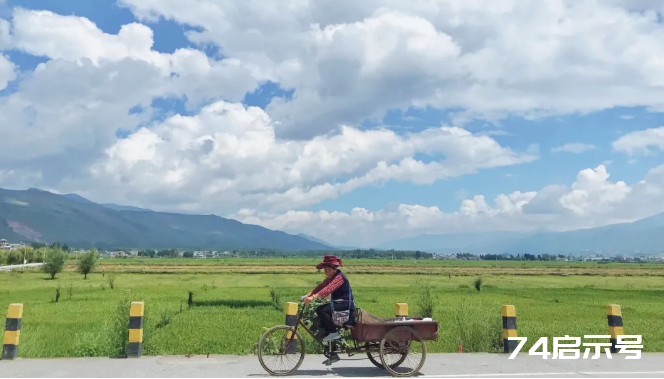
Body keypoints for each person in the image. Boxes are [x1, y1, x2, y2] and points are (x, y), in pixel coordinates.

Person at [303, 255, 355, 342]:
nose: (327, 272)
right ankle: (329, 334)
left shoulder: (339, 277)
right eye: (325, 270)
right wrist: (307, 295)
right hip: (339, 303)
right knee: (322, 315)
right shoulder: (331, 277)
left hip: (345, 304)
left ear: (335, 268)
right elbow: (320, 287)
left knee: (321, 310)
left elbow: (327, 290)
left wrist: (312, 298)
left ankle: (334, 333)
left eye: (329, 270)